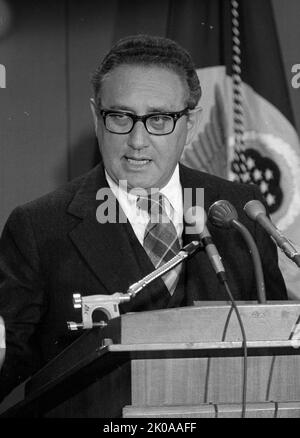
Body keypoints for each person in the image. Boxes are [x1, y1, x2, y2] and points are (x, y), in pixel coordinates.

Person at [0, 34, 287, 402]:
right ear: (96, 117)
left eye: (160, 118)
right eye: (120, 117)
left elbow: (276, 346)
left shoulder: (239, 209)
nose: (137, 140)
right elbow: (9, 360)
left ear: (191, 123)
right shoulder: (39, 227)